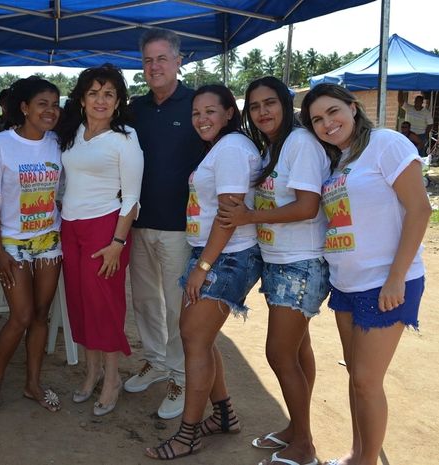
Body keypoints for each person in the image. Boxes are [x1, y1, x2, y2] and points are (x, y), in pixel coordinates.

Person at [301, 84, 430, 465]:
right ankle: (359, 453)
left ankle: (365, 461)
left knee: (366, 380)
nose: (327, 123)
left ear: (354, 108)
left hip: (386, 281)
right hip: (347, 283)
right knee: (356, 377)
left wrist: (396, 277)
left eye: (333, 112)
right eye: (317, 120)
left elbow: (420, 210)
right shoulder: (338, 162)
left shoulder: (386, 143)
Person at [145, 84, 262, 460]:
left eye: (211, 111)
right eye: (196, 113)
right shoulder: (226, 147)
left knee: (193, 339)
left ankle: (188, 434)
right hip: (217, 253)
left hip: (226, 257)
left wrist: (203, 267)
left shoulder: (230, 149)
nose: (202, 119)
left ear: (230, 112)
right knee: (203, 339)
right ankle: (224, 415)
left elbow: (229, 215)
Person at [217, 76, 330, 465]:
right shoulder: (275, 148)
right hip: (281, 262)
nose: (262, 112)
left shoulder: (299, 143)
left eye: (270, 103)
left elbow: (307, 207)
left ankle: (304, 447)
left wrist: (250, 215)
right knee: (298, 350)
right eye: (254, 106)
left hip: (301, 262)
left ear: (285, 103)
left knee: (279, 354)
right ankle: (298, 430)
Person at [125, 28, 206, 420]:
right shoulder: (134, 109)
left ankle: (180, 374)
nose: (154, 66)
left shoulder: (197, 105)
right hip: (139, 222)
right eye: (147, 60)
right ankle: (156, 361)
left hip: (180, 226)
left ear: (178, 60)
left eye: (161, 58)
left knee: (177, 307)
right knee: (143, 301)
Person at [56, 64, 143, 416]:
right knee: (79, 304)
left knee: (104, 306)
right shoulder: (72, 132)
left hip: (106, 230)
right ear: (81, 98)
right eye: (93, 93)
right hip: (70, 227)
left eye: (108, 93)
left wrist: (117, 243)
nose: (100, 100)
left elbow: (132, 199)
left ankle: (112, 378)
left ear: (119, 99)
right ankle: (90, 372)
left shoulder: (125, 138)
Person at [0, 77, 63, 414]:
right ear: (25, 107)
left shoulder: (58, 143)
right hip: (13, 243)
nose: (50, 111)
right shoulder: (0, 145)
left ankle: (32, 383)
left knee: (41, 314)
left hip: (49, 242)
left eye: (55, 104)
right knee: (22, 314)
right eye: (42, 103)